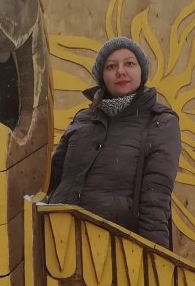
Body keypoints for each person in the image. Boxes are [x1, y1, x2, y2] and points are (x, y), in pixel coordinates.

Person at [46, 37, 181, 248]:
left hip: (114, 249)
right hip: (57, 238)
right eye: (111, 66)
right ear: (102, 76)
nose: (120, 71)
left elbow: (155, 198)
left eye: (129, 63)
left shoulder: (160, 121)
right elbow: (52, 177)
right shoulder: (83, 119)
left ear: (141, 72)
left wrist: (153, 260)